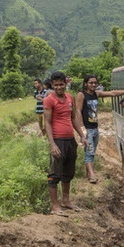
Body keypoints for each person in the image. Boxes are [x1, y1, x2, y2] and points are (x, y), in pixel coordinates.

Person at [75, 74, 124, 184]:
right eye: (91, 83)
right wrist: (82, 129)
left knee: (92, 150)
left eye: (95, 83)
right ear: (85, 83)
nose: (93, 85)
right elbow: (78, 111)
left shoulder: (96, 94)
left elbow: (112, 93)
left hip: (95, 127)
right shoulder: (81, 95)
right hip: (87, 128)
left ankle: (88, 173)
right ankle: (92, 175)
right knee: (89, 151)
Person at [44, 72, 86, 216]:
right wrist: (52, 144)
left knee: (69, 172)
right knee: (54, 174)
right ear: (52, 85)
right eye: (56, 85)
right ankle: (55, 206)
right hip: (58, 141)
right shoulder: (49, 101)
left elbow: (73, 117)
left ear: (65, 84)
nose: (59, 87)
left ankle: (66, 201)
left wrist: (81, 135)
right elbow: (47, 123)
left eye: (61, 84)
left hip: (70, 141)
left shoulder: (69, 98)